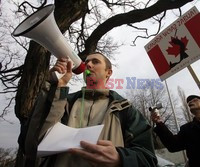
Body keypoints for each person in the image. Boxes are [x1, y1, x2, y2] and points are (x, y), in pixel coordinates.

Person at [21, 52, 157, 167]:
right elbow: (31, 145)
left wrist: (120, 158)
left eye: (95, 62)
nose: (89, 65)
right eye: (86, 62)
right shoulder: (63, 101)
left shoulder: (125, 109)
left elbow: (149, 158)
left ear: (108, 73)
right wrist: (54, 88)